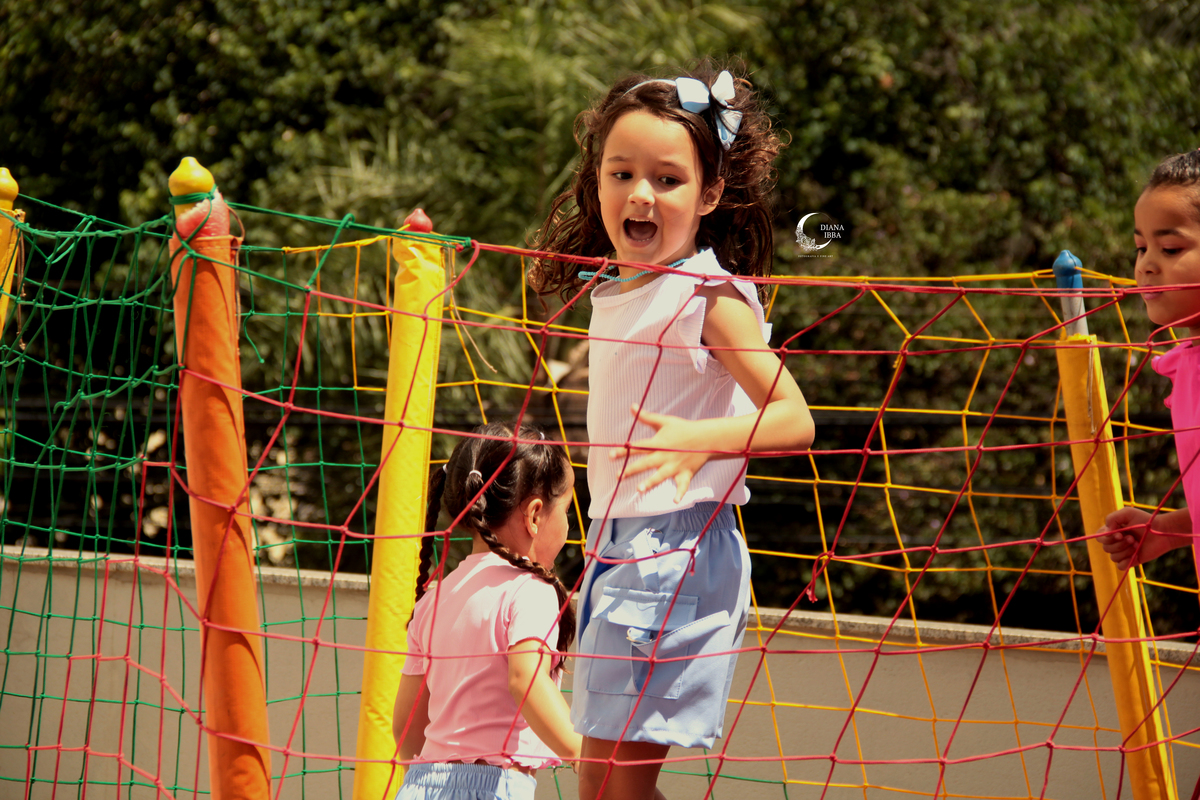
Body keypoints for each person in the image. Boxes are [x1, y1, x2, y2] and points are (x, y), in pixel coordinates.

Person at [529, 60, 816, 800]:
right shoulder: (615, 288)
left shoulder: (708, 296)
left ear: (710, 194)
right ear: (598, 183)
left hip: (679, 549)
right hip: (619, 545)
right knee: (603, 787)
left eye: (667, 178)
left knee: (613, 790)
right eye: (622, 173)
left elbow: (795, 418)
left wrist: (701, 441)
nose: (641, 194)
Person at [391, 422, 582, 800]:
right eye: (567, 509)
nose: (569, 524)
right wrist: (582, 753)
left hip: (419, 786)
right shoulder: (530, 590)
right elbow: (525, 679)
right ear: (535, 515)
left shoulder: (434, 599)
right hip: (493, 787)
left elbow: (407, 727)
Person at [1098, 148, 1200, 580]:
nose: (1146, 266)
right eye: (1141, 247)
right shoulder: (1187, 365)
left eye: (1170, 247)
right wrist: (1171, 529)